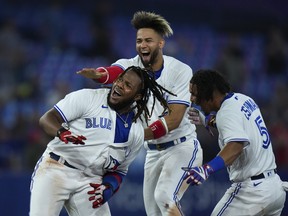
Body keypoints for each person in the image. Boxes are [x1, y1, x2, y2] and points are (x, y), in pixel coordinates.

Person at [77, 11, 203, 216]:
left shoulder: (180, 70)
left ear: (161, 43)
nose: (142, 45)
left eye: (148, 40)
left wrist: (134, 136)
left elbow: (174, 119)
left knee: (165, 197)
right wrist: (99, 75)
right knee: (153, 212)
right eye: (139, 40)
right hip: (153, 152)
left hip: (182, 147)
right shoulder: (131, 65)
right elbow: (113, 72)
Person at [29, 66, 173, 216]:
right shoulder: (89, 97)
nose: (119, 85)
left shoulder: (136, 132)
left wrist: (108, 187)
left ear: (137, 97)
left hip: (90, 181)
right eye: (120, 80)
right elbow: (47, 119)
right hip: (56, 168)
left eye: (128, 85)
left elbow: (119, 171)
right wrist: (62, 132)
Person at [182, 69, 288, 216]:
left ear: (209, 93)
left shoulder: (226, 112)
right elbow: (232, 123)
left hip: (252, 193)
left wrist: (207, 169)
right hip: (275, 189)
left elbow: (236, 146)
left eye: (194, 93)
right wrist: (206, 120)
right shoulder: (244, 99)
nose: (192, 99)